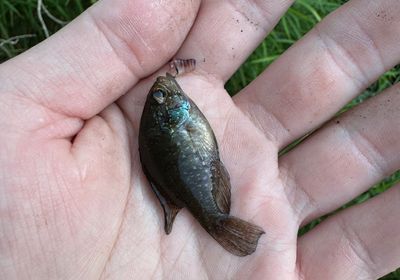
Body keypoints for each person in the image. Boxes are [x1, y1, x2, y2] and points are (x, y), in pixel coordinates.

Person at [1, 0, 399, 279]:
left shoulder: (173, 116)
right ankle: (219, 222)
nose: (163, 91)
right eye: (161, 97)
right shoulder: (173, 117)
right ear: (171, 111)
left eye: (160, 96)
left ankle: (217, 219)